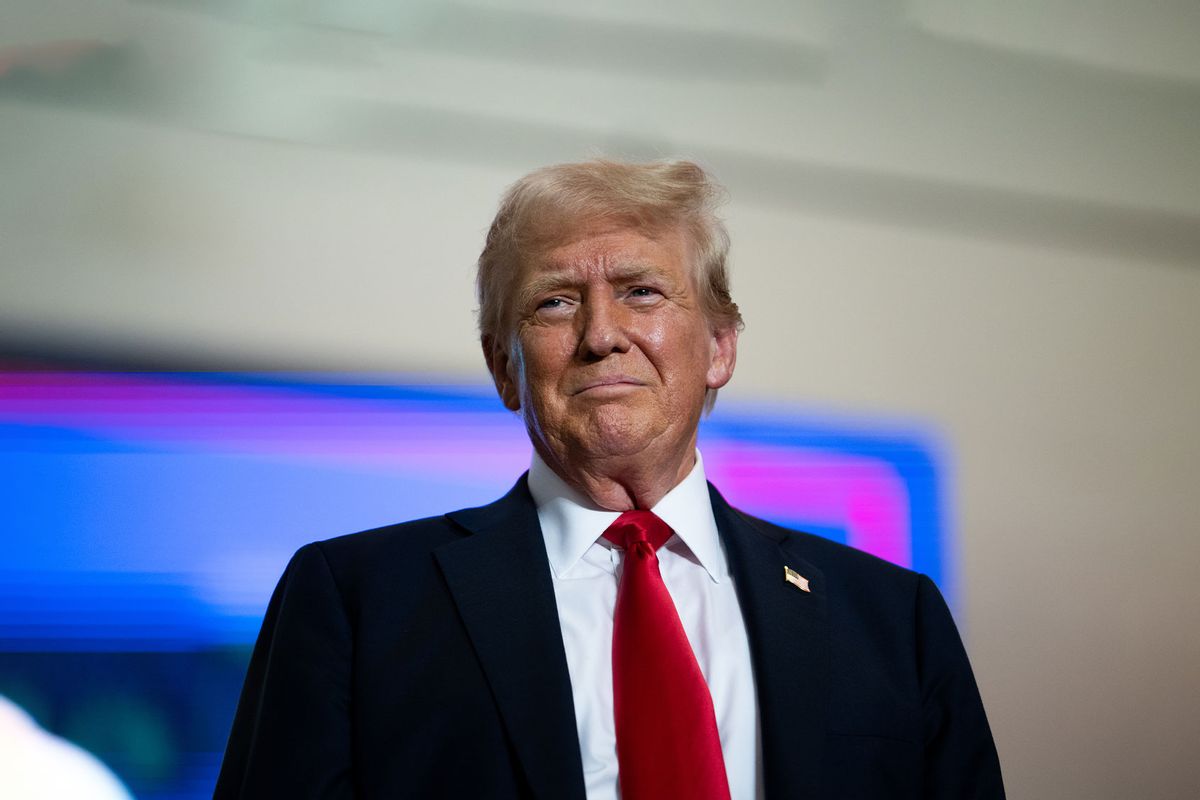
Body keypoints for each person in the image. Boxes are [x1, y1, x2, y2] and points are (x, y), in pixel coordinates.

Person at [214, 160, 1004, 799]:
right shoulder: (356, 600)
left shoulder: (892, 619)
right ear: (504, 369)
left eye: (641, 292)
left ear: (721, 347)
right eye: (554, 303)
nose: (601, 336)